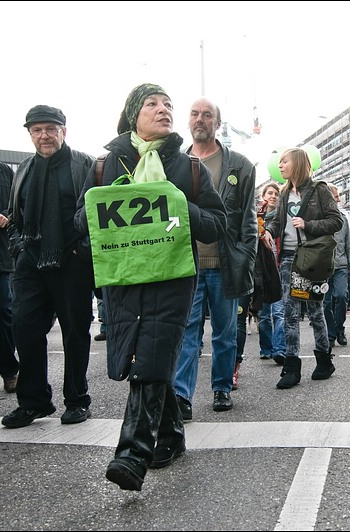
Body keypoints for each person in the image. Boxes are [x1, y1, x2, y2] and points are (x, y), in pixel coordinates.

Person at [75, 83, 226, 491]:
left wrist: (180, 203)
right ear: (132, 116)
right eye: (152, 104)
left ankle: (132, 453)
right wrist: (107, 203)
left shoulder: (188, 168)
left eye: (168, 104)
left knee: (153, 355)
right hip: (124, 280)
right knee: (137, 357)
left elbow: (217, 224)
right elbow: (80, 223)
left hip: (173, 279)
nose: (163, 110)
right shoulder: (105, 168)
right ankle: (172, 436)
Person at [1, 105, 95, 429]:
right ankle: (34, 402)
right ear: (30, 134)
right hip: (32, 262)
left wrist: (82, 252)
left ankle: (77, 400)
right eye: (37, 130)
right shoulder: (24, 169)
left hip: (72, 262)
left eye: (50, 129)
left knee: (75, 332)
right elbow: (14, 216)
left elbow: (97, 215)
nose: (44, 135)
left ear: (63, 131)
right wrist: (19, 248)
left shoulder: (84, 164)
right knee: (24, 328)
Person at [173, 98, 257, 421]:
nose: (200, 119)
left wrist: (246, 259)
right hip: (187, 264)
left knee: (224, 331)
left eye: (207, 115)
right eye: (195, 114)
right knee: (187, 331)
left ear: (217, 124)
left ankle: (222, 386)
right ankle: (182, 394)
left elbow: (248, 220)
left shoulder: (239, 165)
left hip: (226, 264)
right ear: (188, 121)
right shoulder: (176, 165)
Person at [262, 147, 342, 389]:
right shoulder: (285, 194)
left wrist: (308, 224)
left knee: (315, 310)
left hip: (311, 259)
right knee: (289, 312)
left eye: (284, 161)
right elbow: (278, 222)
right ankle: (292, 366)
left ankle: (324, 359)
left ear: (296, 163)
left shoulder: (319, 190)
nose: (281, 166)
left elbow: (336, 220)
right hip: (288, 258)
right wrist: (269, 232)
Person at [0, 155, 18, 393]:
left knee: (2, 313)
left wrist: (5, 215)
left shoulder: (2, 171)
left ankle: (9, 370)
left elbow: (17, 206)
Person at [323, 183, 350, 348]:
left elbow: (349, 242)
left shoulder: (343, 218)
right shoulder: (319, 217)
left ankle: (339, 329)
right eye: (336, 196)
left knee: (342, 296)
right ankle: (330, 334)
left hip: (341, 266)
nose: (338, 199)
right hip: (323, 266)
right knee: (326, 302)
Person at [257, 182, 285, 365]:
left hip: (281, 267)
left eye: (276, 193)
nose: (273, 196)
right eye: (270, 193)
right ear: (263, 195)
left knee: (279, 312)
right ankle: (266, 348)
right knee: (263, 314)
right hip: (262, 270)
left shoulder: (283, 217)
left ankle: (279, 349)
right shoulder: (256, 218)